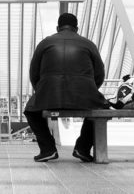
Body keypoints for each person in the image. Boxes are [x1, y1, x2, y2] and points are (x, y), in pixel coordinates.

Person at [24, 13, 106, 162]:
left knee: (30, 111)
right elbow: (99, 74)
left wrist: (42, 93)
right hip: (84, 96)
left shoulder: (44, 43)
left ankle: (48, 149)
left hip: (49, 95)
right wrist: (90, 91)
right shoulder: (88, 44)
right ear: (77, 28)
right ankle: (82, 148)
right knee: (101, 110)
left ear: (57, 28)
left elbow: (34, 74)